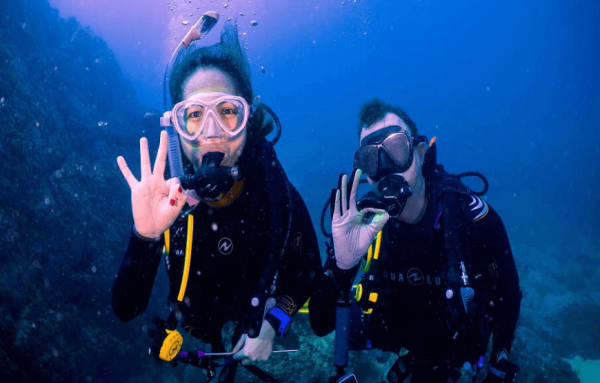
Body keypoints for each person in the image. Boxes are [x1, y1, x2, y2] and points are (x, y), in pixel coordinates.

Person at [111, 18, 321, 382]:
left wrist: (275, 323)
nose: (211, 133)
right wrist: (143, 237)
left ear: (248, 120)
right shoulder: (167, 201)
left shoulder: (276, 195)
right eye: (193, 115)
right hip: (194, 329)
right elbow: (126, 309)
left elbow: (306, 277)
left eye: (227, 112)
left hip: (255, 321)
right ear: (175, 128)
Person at [309, 99, 521, 383]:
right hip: (394, 322)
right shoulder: (364, 222)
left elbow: (507, 293)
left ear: (420, 153)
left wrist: (498, 364)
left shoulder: (470, 216)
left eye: (396, 149)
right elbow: (320, 323)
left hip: (456, 330)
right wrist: (342, 265)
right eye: (370, 159)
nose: (385, 169)